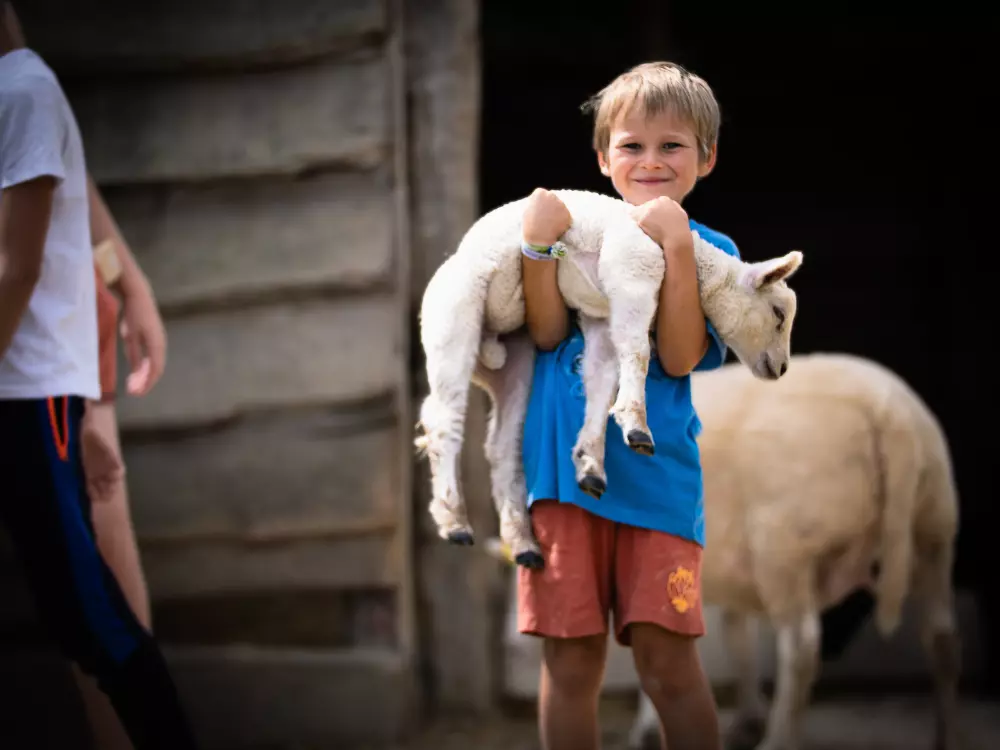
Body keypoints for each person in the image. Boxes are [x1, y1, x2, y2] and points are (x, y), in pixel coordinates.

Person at [516, 61, 741, 750]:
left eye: (671, 145)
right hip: (562, 484)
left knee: (668, 664)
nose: (650, 161)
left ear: (706, 157)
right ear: (602, 157)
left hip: (657, 488)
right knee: (572, 659)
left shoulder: (716, 256)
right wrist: (536, 244)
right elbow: (549, 332)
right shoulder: (573, 235)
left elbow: (677, 357)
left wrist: (676, 242)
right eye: (632, 145)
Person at [0, 3, 198, 747]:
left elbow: (66, 209)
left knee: (97, 603)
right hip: (50, 370)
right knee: (86, 606)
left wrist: (127, 283)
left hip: (56, 372)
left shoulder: (25, 91)